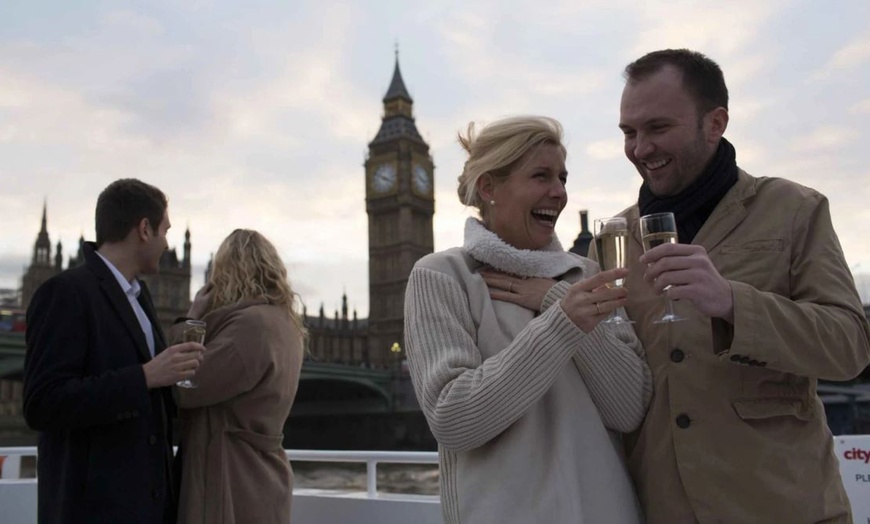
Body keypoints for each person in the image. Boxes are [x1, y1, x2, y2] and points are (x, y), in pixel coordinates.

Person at [614, 48, 870, 523]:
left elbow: (850, 345)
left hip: (782, 508)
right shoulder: (615, 237)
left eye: (658, 128)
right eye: (629, 132)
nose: (640, 148)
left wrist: (733, 303)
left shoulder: (795, 209)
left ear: (715, 123)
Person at [403, 116, 653, 524]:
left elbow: (629, 410)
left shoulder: (586, 276)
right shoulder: (442, 276)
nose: (559, 192)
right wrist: (561, 324)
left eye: (562, 177)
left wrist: (556, 299)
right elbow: (454, 420)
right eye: (541, 176)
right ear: (489, 187)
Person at [23, 178, 205, 524]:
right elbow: (42, 403)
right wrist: (145, 376)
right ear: (144, 229)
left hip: (148, 507)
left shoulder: (140, 297)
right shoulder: (64, 293)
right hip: (94, 509)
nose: (167, 243)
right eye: (164, 231)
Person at [171, 229, 305, 524]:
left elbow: (185, 385)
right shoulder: (285, 324)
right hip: (263, 477)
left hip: (230, 478)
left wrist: (191, 320)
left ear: (229, 271)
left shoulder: (250, 327)